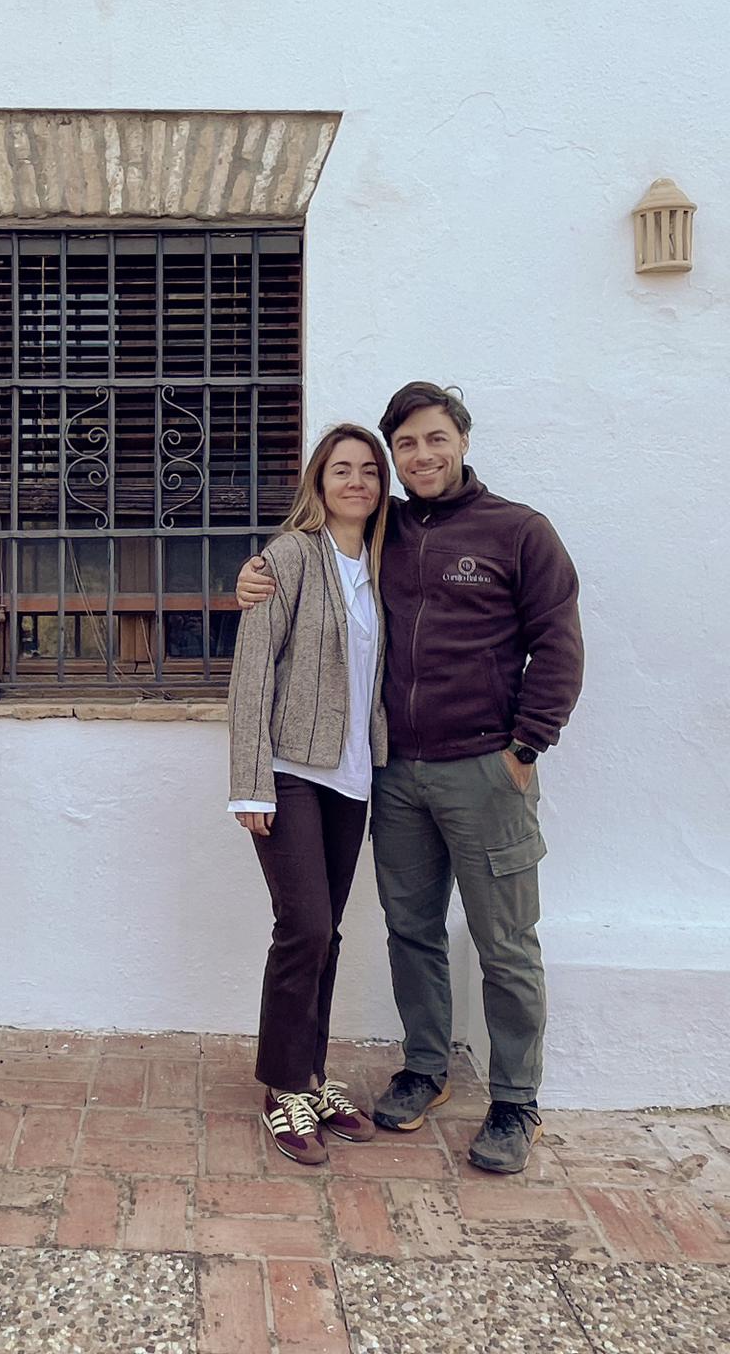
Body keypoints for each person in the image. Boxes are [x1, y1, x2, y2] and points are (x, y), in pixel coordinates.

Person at [237, 382, 583, 1173]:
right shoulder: (379, 531)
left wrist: (526, 746)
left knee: (505, 943)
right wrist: (253, 576)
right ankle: (423, 1069)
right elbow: (303, 573)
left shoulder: (518, 532)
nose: (420, 456)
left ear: (461, 440)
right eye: (407, 446)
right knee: (411, 933)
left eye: (435, 439)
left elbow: (559, 643)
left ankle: (514, 1101)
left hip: (485, 773)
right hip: (392, 776)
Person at [228, 423, 392, 1165]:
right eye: (340, 470)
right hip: (292, 772)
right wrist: (248, 785)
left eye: (367, 470)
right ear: (318, 483)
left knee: (325, 933)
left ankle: (313, 1072)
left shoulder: (384, 565)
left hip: (353, 777)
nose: (355, 481)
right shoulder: (288, 557)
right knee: (303, 926)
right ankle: (284, 1087)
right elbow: (252, 671)